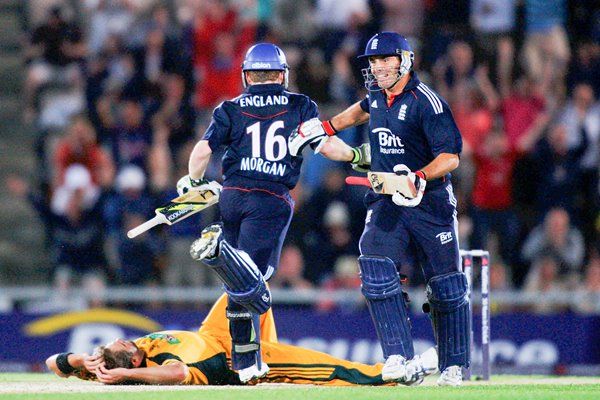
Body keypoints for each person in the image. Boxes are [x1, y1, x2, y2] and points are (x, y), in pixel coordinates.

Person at [289, 32, 466, 386]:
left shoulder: (426, 102)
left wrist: (419, 176)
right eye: (373, 61)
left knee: (446, 286)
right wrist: (326, 127)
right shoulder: (377, 94)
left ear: (405, 60)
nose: (378, 67)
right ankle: (397, 357)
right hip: (387, 197)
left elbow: (451, 157)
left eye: (386, 60)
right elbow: (361, 110)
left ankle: (453, 365)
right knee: (374, 265)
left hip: (428, 201)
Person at [174, 43, 319, 383]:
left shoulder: (230, 107)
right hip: (269, 198)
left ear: (247, 75)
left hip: (233, 195)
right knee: (251, 281)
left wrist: (192, 181)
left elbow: (202, 150)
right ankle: (247, 361)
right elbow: (325, 145)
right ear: (282, 74)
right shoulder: (300, 105)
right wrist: (359, 157)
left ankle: (245, 360)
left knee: (240, 281)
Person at [46, 294, 438, 386]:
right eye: (123, 348)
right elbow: (179, 372)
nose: (125, 341)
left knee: (249, 287)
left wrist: (83, 362)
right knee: (325, 367)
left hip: (213, 333)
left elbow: (52, 363)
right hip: (239, 359)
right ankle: (392, 376)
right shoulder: (153, 369)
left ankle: (270, 372)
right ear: (132, 363)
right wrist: (130, 379)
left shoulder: (126, 357)